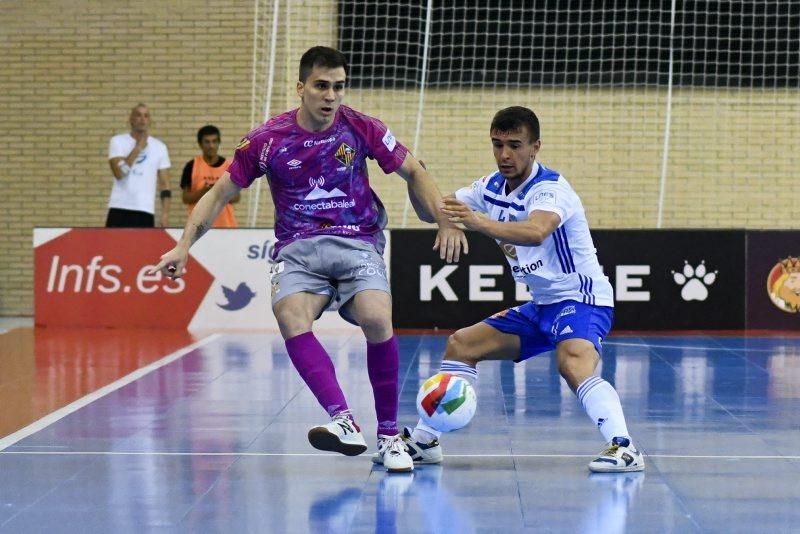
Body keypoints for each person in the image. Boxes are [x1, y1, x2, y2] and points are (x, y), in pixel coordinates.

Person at [150, 46, 468, 473]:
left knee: (377, 318)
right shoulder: (266, 140)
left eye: (338, 86)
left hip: (357, 241)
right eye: (321, 86)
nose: (331, 96)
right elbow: (218, 194)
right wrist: (184, 245)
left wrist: (445, 221)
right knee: (291, 316)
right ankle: (344, 421)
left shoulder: (362, 127)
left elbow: (414, 169)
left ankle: (390, 437)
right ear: (301, 88)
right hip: (298, 249)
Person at [395, 106, 644, 473]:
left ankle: (624, 447)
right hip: (541, 304)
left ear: (535, 147)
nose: (505, 155)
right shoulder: (489, 187)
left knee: (573, 360)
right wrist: (416, 180)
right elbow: (433, 212)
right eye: (497, 145)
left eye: (514, 145)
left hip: (581, 296)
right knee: (462, 345)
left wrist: (476, 222)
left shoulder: (550, 189)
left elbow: (536, 230)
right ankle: (426, 441)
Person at [106, 103, 172, 227]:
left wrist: (165, 214)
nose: (142, 119)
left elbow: (165, 185)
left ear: (150, 121)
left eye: (146, 116)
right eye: (138, 115)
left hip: (144, 209)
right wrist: (138, 147)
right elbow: (119, 173)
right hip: (119, 207)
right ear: (131, 119)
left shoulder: (160, 147)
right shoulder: (118, 141)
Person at [181, 125, 240, 228]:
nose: (211, 145)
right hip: (197, 228)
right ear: (200, 144)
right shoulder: (191, 165)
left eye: (214, 141)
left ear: (219, 142)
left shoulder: (229, 165)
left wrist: (218, 190)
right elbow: (185, 198)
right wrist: (203, 192)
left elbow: (236, 197)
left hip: (226, 227)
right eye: (207, 142)